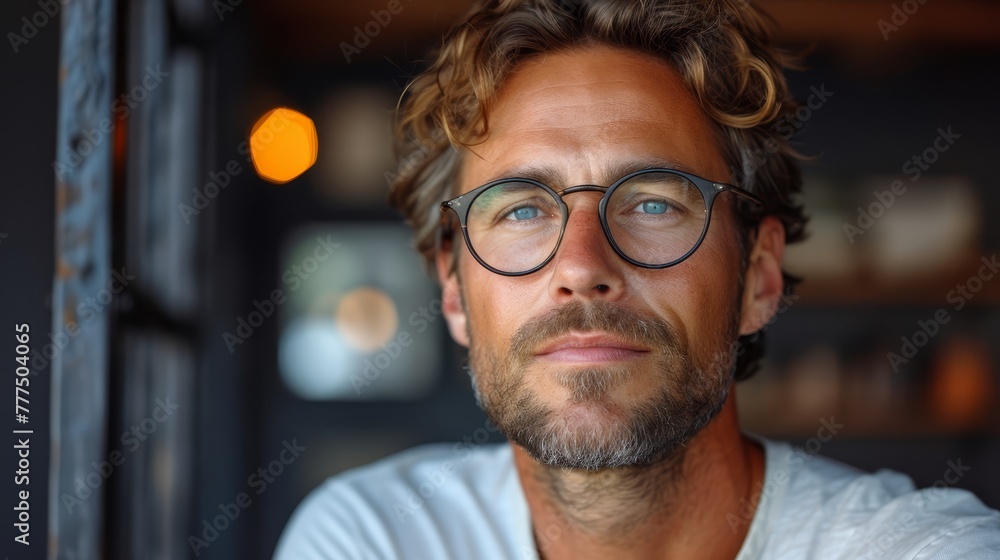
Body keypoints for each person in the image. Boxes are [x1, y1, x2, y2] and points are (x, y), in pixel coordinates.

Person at [275, 1, 1000, 558]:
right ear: (456, 292)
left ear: (758, 276)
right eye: (523, 208)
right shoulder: (377, 538)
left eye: (653, 202)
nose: (583, 267)